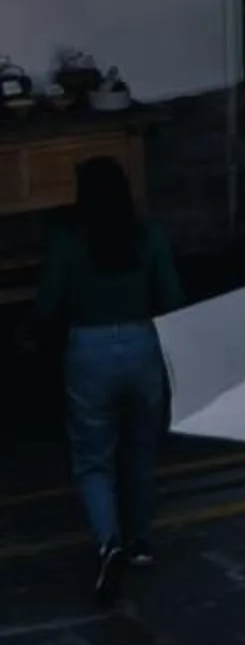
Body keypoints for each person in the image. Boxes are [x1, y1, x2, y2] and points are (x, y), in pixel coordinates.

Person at [35, 155, 180, 601]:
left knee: (94, 457)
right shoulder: (150, 235)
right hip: (143, 345)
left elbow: (49, 304)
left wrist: (30, 334)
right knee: (141, 449)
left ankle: (108, 541)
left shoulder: (66, 240)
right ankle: (139, 542)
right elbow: (173, 296)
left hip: (88, 350)